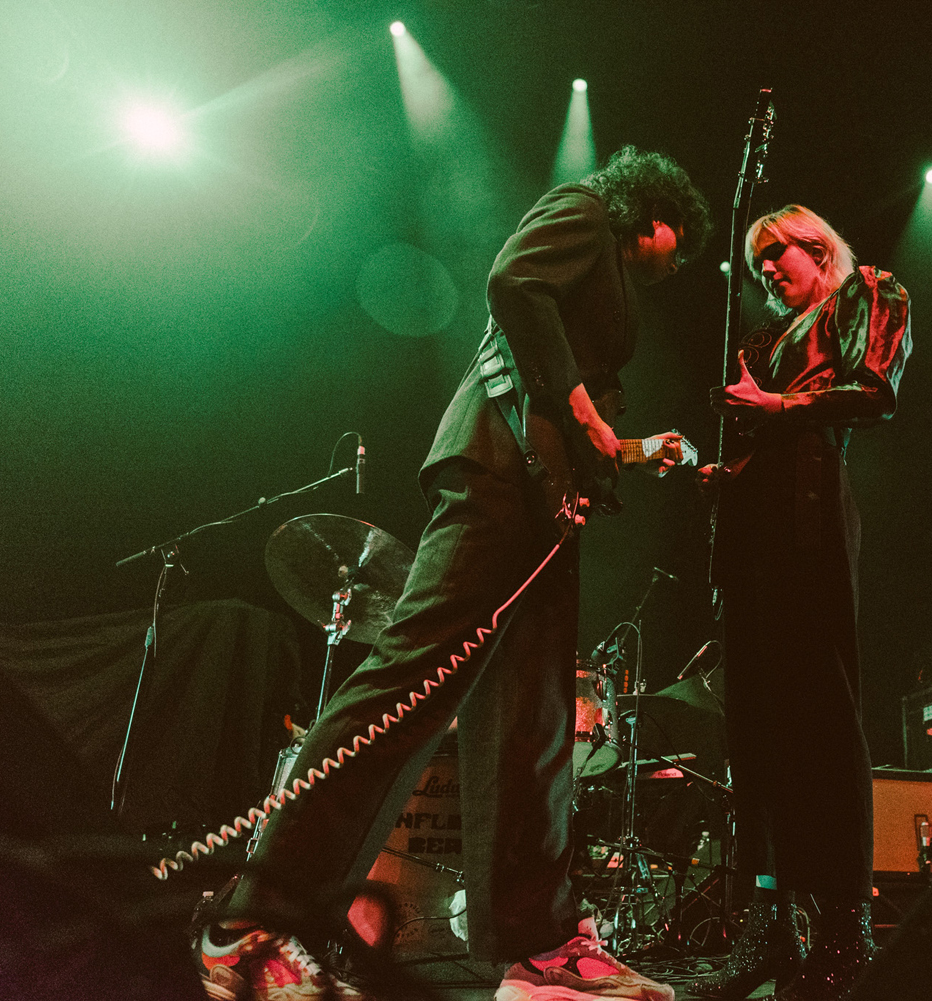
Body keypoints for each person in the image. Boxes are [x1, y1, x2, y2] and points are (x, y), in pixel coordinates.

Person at [193, 145, 710, 1001]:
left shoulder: (600, 273)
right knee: (409, 678)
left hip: (546, 496)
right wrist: (582, 408)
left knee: (531, 727)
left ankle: (536, 945)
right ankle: (255, 921)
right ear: (659, 219)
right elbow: (512, 283)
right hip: (500, 475)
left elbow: (563, 380)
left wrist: (617, 447)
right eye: (676, 248)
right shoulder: (587, 210)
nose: (671, 267)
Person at [692, 205, 911, 1001]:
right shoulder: (765, 341)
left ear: (817, 245)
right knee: (754, 721)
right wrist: (731, 472)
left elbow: (876, 390)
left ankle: (847, 929)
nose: (767, 273)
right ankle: (772, 925)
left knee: (821, 708)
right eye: (756, 267)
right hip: (758, 520)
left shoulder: (870, 292)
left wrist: (781, 413)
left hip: (812, 509)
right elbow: (762, 436)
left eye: (776, 255)